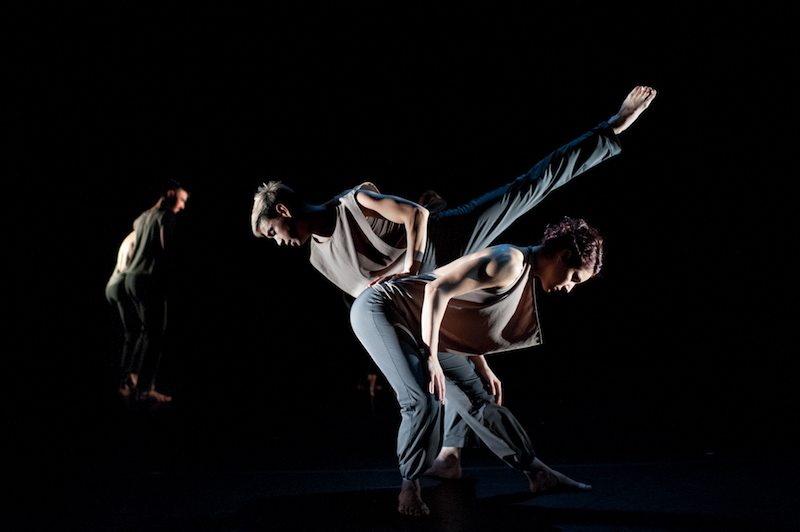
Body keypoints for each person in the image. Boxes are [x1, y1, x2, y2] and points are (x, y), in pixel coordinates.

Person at [251, 86, 655, 471]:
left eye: (272, 232)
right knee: (452, 370)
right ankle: (451, 458)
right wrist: (397, 366)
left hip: (446, 243)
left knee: (525, 188)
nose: (277, 241)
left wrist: (411, 266)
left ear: (284, 211)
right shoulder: (318, 260)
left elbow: (417, 216)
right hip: (420, 296)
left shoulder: (352, 202)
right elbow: (369, 302)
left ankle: (612, 127)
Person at [349, 217, 602, 516]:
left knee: (478, 396)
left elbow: (462, 312)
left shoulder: (521, 269)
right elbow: (437, 291)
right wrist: (431, 357)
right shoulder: (510, 262)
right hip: (383, 309)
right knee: (424, 397)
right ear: (563, 256)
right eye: (573, 277)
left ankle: (538, 473)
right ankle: (409, 485)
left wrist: (480, 364)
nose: (569, 288)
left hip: (423, 324)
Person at [123, 180, 190, 402]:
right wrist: (173, 285)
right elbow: (165, 250)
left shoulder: (142, 218)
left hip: (131, 279)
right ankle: (144, 388)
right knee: (156, 334)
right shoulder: (166, 215)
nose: (181, 207)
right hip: (149, 278)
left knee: (145, 331)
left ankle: (132, 378)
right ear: (170, 194)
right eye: (181, 200)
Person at [105, 231, 141, 397]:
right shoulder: (141, 235)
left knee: (132, 331)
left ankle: (125, 377)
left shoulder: (130, 236)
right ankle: (125, 378)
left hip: (112, 283)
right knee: (134, 332)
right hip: (121, 283)